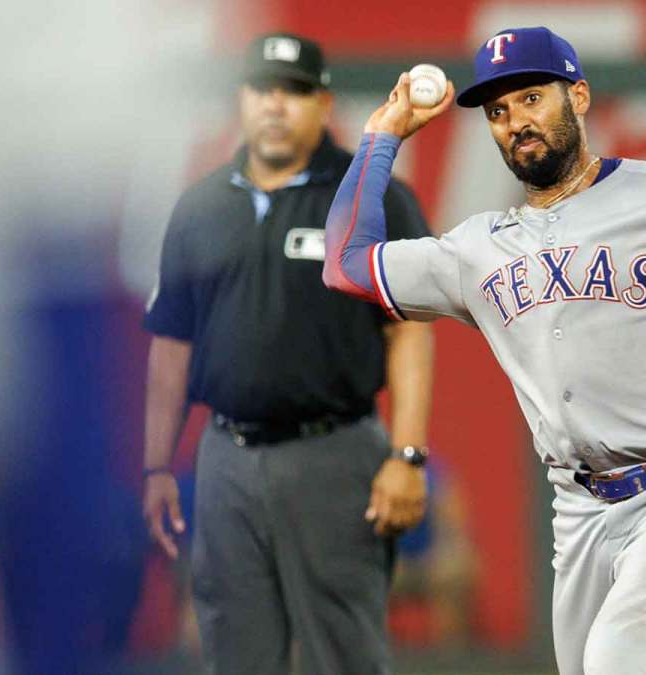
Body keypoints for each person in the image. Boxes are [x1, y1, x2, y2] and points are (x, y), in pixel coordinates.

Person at [323, 26, 646, 675]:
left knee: (618, 660)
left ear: (580, 97)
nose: (516, 122)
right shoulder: (475, 248)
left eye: (532, 98)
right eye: (499, 112)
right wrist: (384, 132)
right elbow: (344, 265)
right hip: (579, 507)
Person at [141, 32, 435, 675]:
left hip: (333, 454)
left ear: (324, 103)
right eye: (262, 89)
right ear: (241, 100)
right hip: (226, 457)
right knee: (234, 653)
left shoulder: (368, 194)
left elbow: (409, 328)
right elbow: (171, 344)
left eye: (295, 91)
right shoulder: (199, 206)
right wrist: (157, 464)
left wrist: (407, 456)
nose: (276, 105)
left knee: (345, 653)